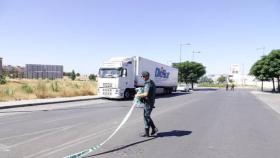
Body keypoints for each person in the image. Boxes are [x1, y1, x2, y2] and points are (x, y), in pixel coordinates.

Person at [135, 71, 158, 137]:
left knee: (146, 116)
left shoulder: (148, 83)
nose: (142, 78)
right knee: (146, 116)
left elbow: (145, 94)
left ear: (146, 76)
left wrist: (138, 95)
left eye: (143, 76)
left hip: (148, 103)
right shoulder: (151, 82)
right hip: (150, 101)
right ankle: (147, 132)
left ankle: (153, 128)